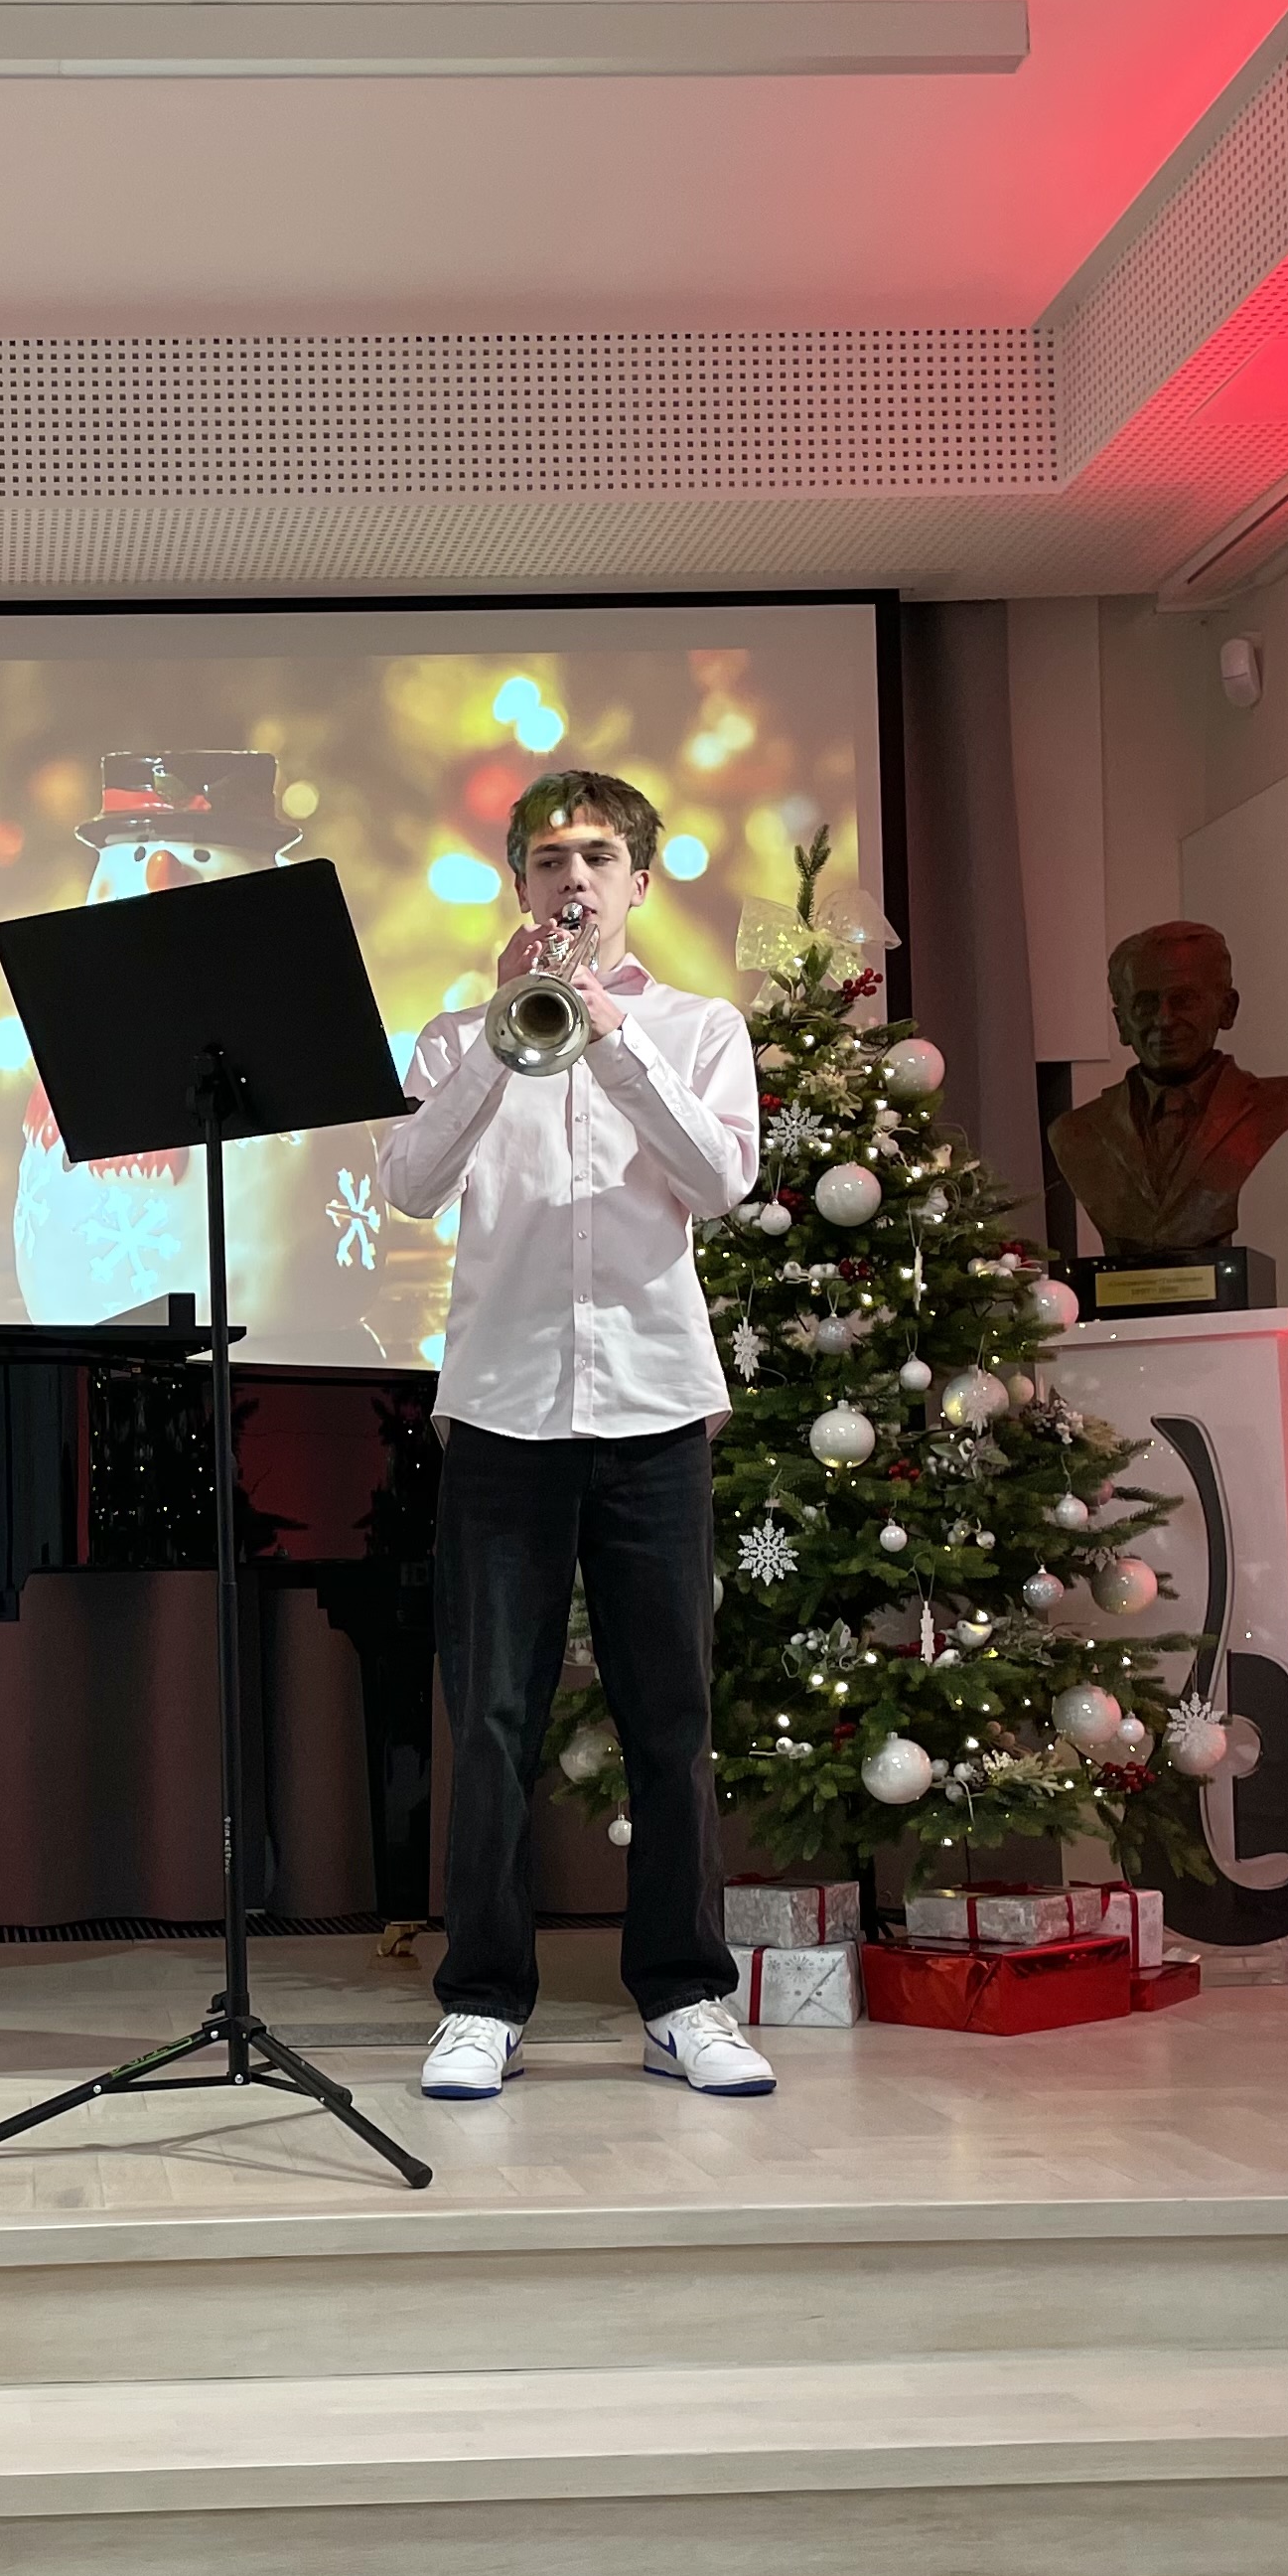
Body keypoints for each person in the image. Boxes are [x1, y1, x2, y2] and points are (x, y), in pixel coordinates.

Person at [381, 771, 772, 2101]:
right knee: (490, 1721)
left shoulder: (702, 1028)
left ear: (639, 882)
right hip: (504, 1406)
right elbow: (409, 1185)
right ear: (519, 885)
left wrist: (611, 1038)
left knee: (670, 1716)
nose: (574, 881)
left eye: (600, 858)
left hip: (655, 1407)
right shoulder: (457, 1036)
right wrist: (500, 1043)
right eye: (550, 861)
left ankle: (686, 1997)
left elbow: (720, 1181)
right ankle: (484, 2002)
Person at [1047, 920, 1288, 1256]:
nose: (1164, 1020)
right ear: (1122, 1023)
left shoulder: (1274, 1105)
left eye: (1184, 1000)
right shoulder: (1077, 1132)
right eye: (1145, 1004)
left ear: (1227, 1009)